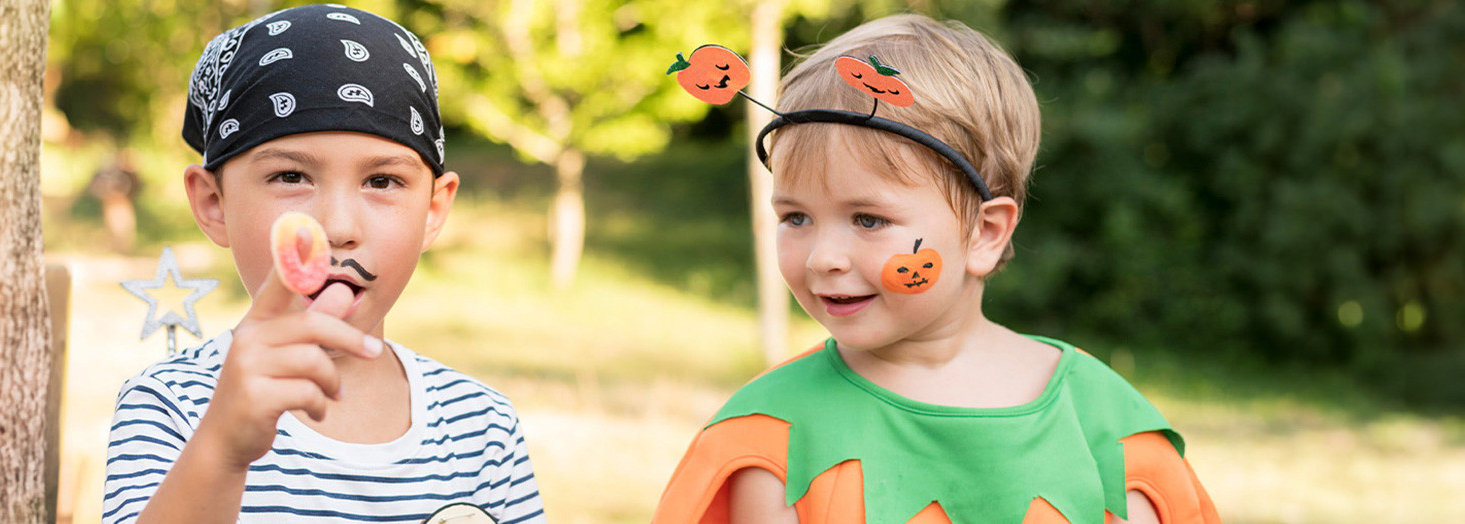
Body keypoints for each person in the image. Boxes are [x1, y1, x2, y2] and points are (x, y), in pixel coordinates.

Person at [652, 14, 1219, 524]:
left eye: (869, 220)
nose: (824, 257)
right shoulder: (773, 435)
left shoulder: (1102, 421)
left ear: (985, 233)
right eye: (796, 216)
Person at [101, 5, 544, 523]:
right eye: (291, 177)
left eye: (382, 182)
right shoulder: (172, 406)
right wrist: (221, 451)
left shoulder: (483, 427)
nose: (336, 227)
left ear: (433, 210)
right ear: (213, 204)